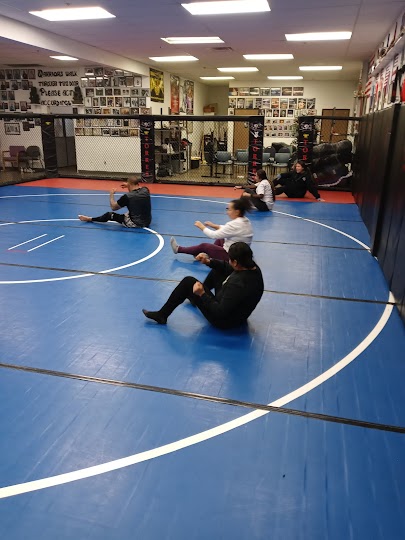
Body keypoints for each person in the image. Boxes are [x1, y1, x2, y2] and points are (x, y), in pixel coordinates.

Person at [142, 242, 264, 329]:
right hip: (239, 314)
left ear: (236, 262)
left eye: (230, 259)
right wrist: (209, 261)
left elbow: (219, 312)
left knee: (188, 282)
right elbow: (227, 267)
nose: (229, 261)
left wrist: (202, 294)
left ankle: (162, 315)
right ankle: (195, 297)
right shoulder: (252, 267)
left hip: (224, 321)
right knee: (218, 269)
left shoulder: (237, 284)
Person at [170, 198, 253, 262]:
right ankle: (207, 255)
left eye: (229, 209)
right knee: (221, 238)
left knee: (204, 246)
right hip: (240, 253)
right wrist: (214, 226)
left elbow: (213, 235)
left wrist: (202, 227)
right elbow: (226, 230)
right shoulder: (244, 220)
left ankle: (179, 249)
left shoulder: (234, 224)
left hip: (232, 257)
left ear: (237, 212)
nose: (227, 212)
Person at [78, 176, 151, 227]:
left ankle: (89, 219)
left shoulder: (127, 197)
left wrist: (111, 194)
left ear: (129, 184)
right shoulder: (145, 190)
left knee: (109, 215)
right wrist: (128, 185)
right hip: (147, 221)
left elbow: (113, 207)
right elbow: (136, 187)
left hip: (135, 223)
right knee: (136, 206)